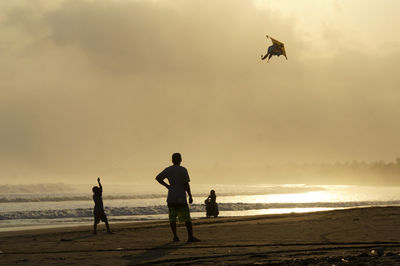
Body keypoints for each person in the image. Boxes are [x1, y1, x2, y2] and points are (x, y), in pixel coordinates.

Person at [156, 153, 200, 242]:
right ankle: (190, 236)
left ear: (172, 160)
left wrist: (167, 186)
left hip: (171, 196)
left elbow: (158, 178)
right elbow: (186, 184)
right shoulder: (183, 170)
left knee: (172, 218)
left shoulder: (168, 169)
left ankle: (175, 236)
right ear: (180, 160)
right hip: (181, 197)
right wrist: (190, 195)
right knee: (187, 218)